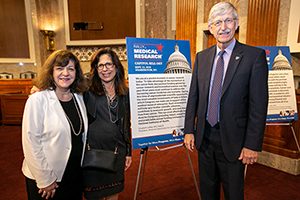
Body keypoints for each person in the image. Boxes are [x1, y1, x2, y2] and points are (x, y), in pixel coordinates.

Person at [184, 2, 268, 200]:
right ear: (211, 28)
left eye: (229, 20)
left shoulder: (253, 57)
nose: (224, 27)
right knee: (208, 192)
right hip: (204, 138)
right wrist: (189, 129)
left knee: (233, 194)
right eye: (218, 22)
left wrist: (252, 145)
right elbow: (193, 96)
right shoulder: (202, 57)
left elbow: (259, 106)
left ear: (236, 24)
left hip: (234, 141)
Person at [22, 50, 88, 200]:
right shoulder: (37, 99)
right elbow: (30, 142)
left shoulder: (79, 97)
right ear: (51, 72)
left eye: (71, 69)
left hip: (73, 172)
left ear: (76, 73)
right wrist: (44, 179)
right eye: (59, 68)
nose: (65, 73)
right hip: (47, 177)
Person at [82, 48, 132, 200]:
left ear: (116, 67)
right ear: (95, 69)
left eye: (109, 64)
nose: (105, 69)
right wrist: (40, 87)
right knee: (94, 196)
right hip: (93, 152)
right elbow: (64, 83)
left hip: (117, 151)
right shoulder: (87, 89)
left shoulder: (125, 93)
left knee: (113, 195)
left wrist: (129, 151)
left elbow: (126, 124)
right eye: (100, 65)